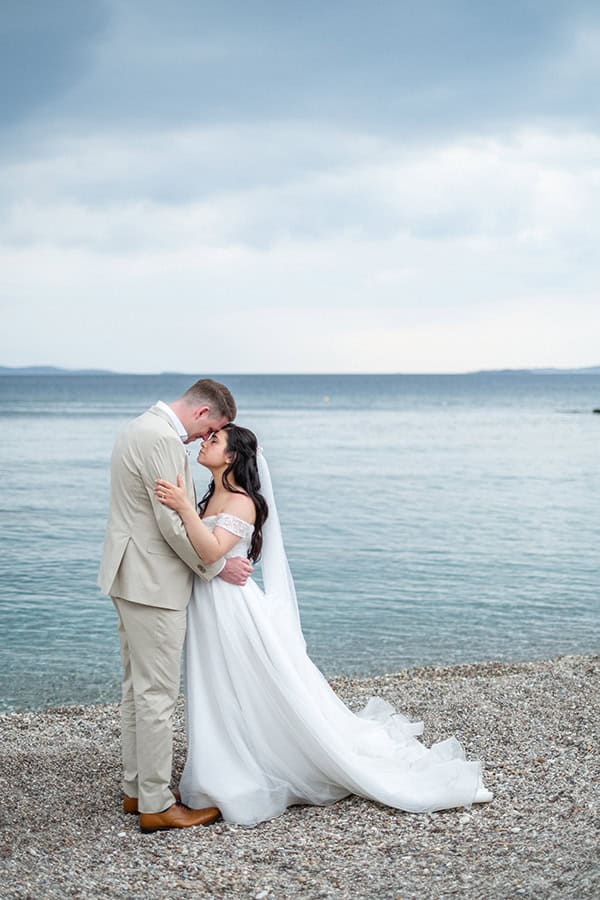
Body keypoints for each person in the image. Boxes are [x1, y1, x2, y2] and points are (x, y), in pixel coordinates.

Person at [154, 424, 493, 827]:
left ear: (230, 457)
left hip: (230, 609)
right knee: (216, 684)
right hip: (211, 602)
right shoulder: (212, 494)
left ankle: (242, 766)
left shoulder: (242, 501)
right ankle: (220, 761)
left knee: (237, 684)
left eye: (214, 440)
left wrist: (185, 510)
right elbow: (204, 553)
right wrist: (214, 552)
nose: (205, 442)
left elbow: (210, 548)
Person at [98, 379, 253, 834]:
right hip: (154, 582)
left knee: (137, 689)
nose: (203, 439)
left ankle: (136, 789)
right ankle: (157, 804)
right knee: (156, 696)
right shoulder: (163, 439)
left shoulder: (138, 426)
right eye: (211, 429)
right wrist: (215, 566)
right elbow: (170, 524)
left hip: (129, 574)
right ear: (203, 413)